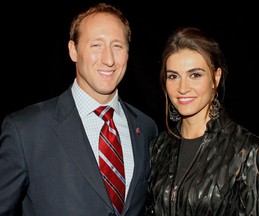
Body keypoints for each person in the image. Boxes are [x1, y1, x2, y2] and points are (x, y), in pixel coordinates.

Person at [0, 3, 158, 216]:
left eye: (117, 46)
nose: (109, 59)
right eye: (96, 45)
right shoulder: (26, 131)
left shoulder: (146, 129)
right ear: (73, 50)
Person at [145, 27, 259, 215]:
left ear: (216, 77)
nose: (182, 88)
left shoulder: (248, 150)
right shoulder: (158, 147)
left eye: (195, 75)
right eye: (173, 76)